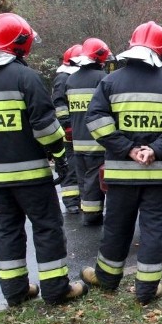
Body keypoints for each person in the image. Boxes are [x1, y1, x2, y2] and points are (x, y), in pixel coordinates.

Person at [0, 13, 88, 306]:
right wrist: (59, 156)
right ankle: (56, 289)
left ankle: (15, 292)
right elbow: (45, 127)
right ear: (20, 42)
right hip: (31, 177)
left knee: (7, 229)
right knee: (47, 227)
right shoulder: (26, 78)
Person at [81, 21, 162, 305]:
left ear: (132, 45)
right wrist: (155, 151)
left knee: (116, 227)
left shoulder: (110, 82)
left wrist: (128, 150)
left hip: (122, 174)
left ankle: (107, 279)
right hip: (160, 174)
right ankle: (146, 290)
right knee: (154, 230)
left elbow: (95, 121)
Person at [66, 38, 111, 226]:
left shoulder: (71, 79)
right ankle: (92, 216)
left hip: (78, 141)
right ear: (100, 57)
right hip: (97, 140)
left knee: (84, 178)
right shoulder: (102, 79)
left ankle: (87, 209)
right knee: (93, 179)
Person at [52, 44, 83, 214]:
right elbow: (59, 104)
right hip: (68, 133)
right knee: (71, 167)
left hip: (77, 130)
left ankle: (78, 200)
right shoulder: (63, 79)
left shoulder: (71, 78)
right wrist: (67, 126)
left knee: (79, 166)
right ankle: (71, 201)